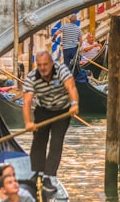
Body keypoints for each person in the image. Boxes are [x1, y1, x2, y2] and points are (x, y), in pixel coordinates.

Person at [23, 50, 80, 178]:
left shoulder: (61, 70)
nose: (42, 68)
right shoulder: (32, 77)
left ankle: (49, 176)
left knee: (56, 142)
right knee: (38, 142)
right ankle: (37, 174)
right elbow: (27, 102)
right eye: (39, 65)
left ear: (51, 63)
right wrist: (28, 122)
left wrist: (74, 104)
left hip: (62, 110)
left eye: (45, 64)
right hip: (43, 110)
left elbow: (71, 87)